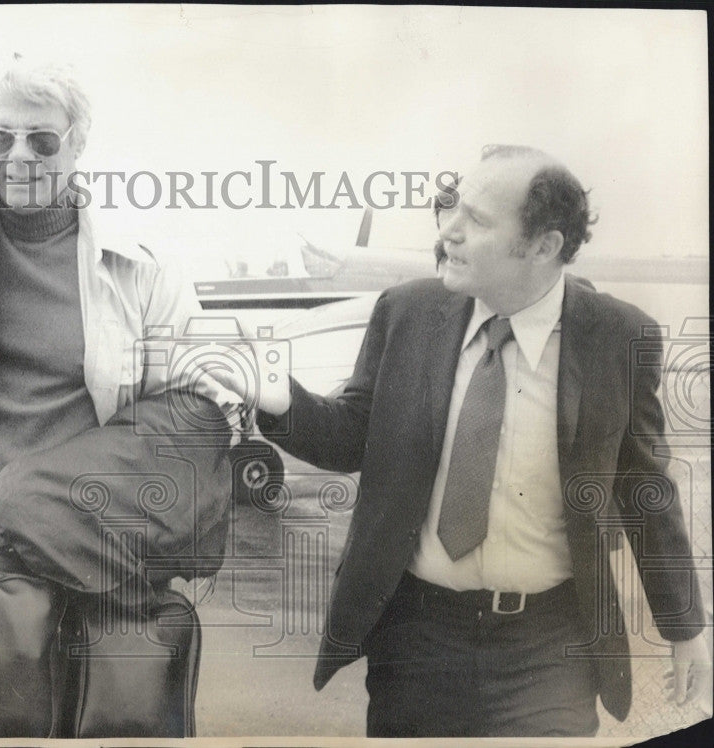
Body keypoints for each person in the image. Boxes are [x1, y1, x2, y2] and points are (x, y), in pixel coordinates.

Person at [209, 145, 711, 736]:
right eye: (452, 209)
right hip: (418, 638)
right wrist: (279, 395)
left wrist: (685, 629)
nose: (448, 231)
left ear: (544, 246)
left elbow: (644, 487)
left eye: (476, 219)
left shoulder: (618, 336)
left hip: (549, 648)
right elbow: (351, 438)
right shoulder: (407, 312)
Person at [0, 58, 229, 562]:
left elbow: (186, 401)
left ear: (78, 143)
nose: (20, 156)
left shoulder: (144, 265)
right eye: (1, 138)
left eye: (43, 140)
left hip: (85, 543)